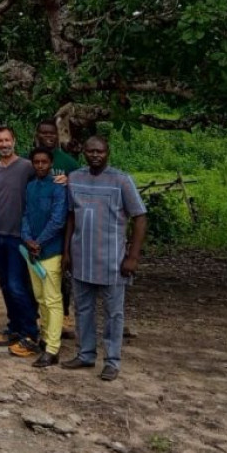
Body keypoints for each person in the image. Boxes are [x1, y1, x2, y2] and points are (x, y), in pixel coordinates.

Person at [62, 136, 147, 381]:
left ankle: (112, 360)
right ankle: (85, 354)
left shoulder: (121, 180)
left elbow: (140, 217)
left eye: (100, 151)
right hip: (82, 258)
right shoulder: (75, 178)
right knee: (83, 309)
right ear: (84, 153)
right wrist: (67, 252)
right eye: (90, 151)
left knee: (113, 313)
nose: (95, 155)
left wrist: (133, 256)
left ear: (107, 152)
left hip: (112, 260)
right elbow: (70, 216)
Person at [0, 125, 42, 358]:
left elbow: (44, 185)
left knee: (17, 285)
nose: (4, 144)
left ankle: (31, 333)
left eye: (7, 140)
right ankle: (14, 327)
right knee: (5, 285)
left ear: (14, 140)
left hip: (20, 238)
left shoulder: (27, 167)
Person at [22, 147, 68, 367]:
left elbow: (58, 220)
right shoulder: (30, 187)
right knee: (40, 298)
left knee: (52, 299)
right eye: (36, 162)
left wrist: (39, 242)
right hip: (33, 252)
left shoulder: (58, 188)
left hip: (50, 252)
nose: (40, 165)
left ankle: (53, 348)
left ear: (51, 164)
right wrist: (28, 239)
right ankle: (45, 337)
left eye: (44, 162)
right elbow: (25, 216)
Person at [35, 118, 80, 337]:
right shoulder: (30, 160)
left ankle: (64, 319)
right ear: (37, 135)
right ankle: (41, 320)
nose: (48, 137)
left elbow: (82, 185)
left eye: (52, 133)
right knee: (36, 277)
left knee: (61, 276)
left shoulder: (69, 162)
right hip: (36, 228)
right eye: (43, 133)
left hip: (62, 229)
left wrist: (69, 181)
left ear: (58, 135)